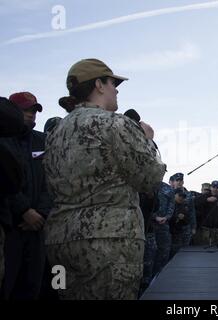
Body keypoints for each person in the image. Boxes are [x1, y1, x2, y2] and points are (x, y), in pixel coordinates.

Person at [43, 58, 166, 299]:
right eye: (112, 82)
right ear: (99, 85)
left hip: (59, 241)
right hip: (109, 243)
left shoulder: (55, 132)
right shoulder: (115, 124)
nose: (116, 88)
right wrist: (148, 141)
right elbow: (150, 178)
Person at [1, 92, 52, 299]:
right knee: (7, 284)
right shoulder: (3, 140)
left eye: (34, 110)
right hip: (10, 228)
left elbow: (51, 181)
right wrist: (24, 210)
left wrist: (39, 213)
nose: (31, 115)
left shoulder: (43, 141)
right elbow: (4, 181)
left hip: (37, 229)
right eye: (25, 110)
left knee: (34, 286)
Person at [0, 97, 25, 295]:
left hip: (35, 224)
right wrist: (24, 209)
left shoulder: (38, 140)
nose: (31, 115)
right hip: (14, 223)